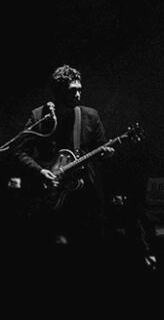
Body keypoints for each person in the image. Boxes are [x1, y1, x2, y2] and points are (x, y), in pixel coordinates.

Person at [14, 64, 113, 242]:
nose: (77, 94)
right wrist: (40, 172)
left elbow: (102, 148)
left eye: (79, 90)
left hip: (83, 195)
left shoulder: (91, 116)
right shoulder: (41, 116)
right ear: (59, 92)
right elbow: (20, 152)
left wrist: (106, 153)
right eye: (72, 90)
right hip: (50, 196)